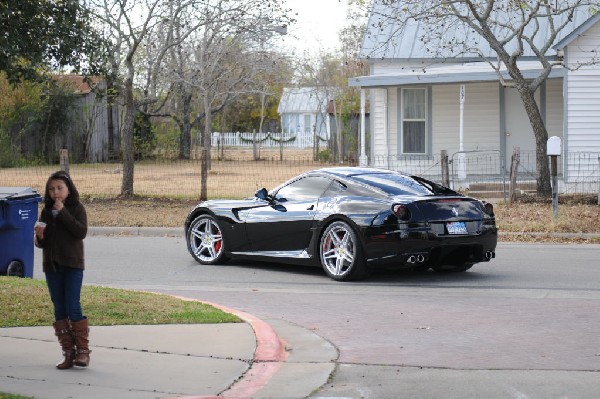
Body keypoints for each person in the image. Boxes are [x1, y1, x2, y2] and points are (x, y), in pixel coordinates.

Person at [34, 171, 90, 369]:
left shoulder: (76, 208)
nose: (55, 192)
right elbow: (43, 244)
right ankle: (68, 352)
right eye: (51, 189)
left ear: (68, 189)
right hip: (52, 265)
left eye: (59, 188)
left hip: (73, 264)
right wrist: (39, 236)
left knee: (73, 304)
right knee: (59, 307)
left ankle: (83, 352)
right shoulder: (46, 211)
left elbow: (80, 231)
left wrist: (63, 211)